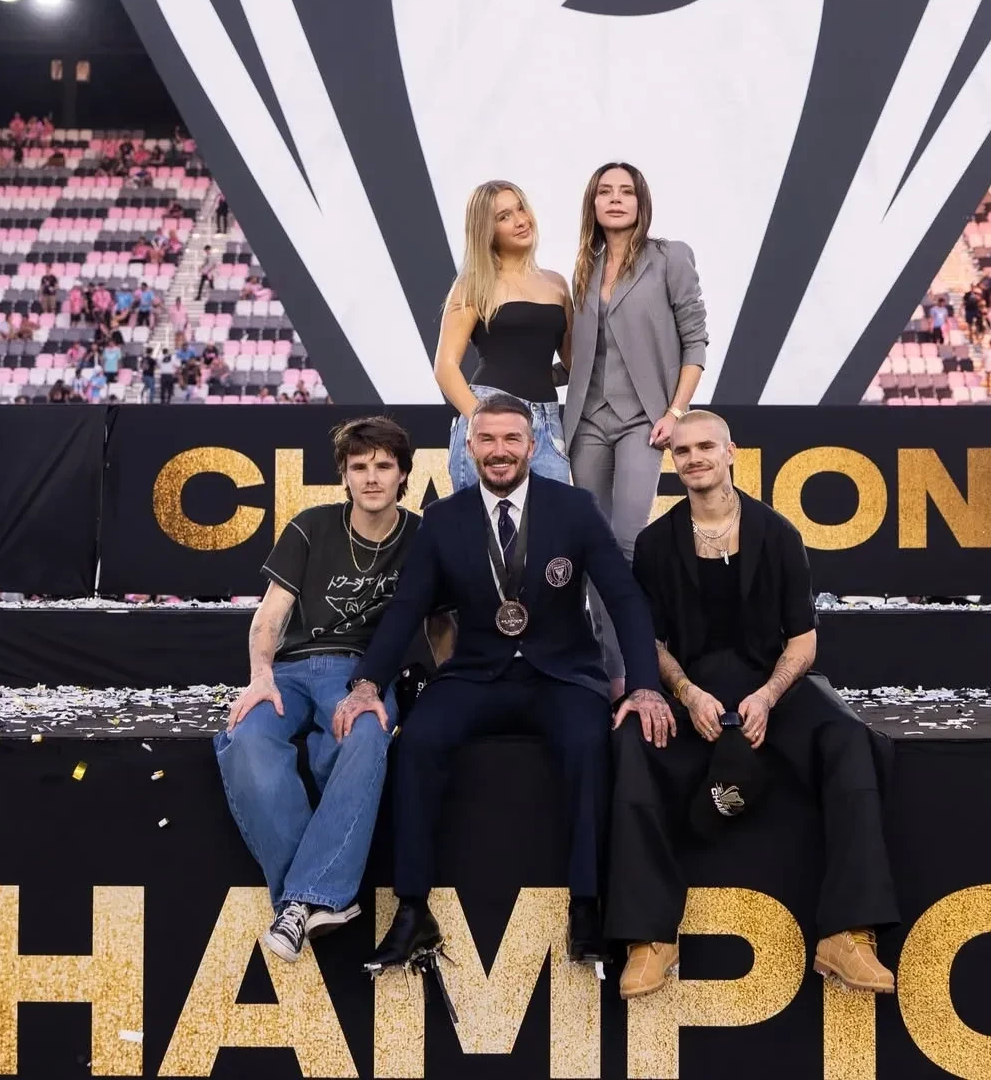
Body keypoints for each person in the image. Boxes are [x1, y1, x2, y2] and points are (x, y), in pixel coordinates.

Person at [334, 394, 670, 974]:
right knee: (416, 744)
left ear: (532, 446)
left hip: (562, 675)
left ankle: (587, 908)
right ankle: (412, 910)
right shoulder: (443, 519)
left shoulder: (575, 508)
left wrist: (643, 685)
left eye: (512, 438)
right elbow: (407, 608)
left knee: (589, 744)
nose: (499, 450)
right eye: (487, 439)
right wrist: (366, 684)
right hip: (475, 673)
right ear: (469, 447)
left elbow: (624, 600)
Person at [605, 410, 899, 999]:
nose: (694, 458)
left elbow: (803, 642)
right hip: (693, 690)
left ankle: (847, 933)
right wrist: (686, 693)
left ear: (731, 452)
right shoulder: (656, 544)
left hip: (772, 687)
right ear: (673, 461)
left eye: (705, 447)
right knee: (632, 744)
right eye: (683, 451)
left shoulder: (778, 533)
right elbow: (651, 643)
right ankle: (649, 938)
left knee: (848, 740)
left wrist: (766, 696)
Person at [215, 418, 448, 963]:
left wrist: (452, 681)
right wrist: (260, 677)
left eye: (384, 466)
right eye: (359, 467)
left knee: (365, 735)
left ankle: (298, 904)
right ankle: (314, 897)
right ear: (344, 474)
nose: (371, 477)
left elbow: (440, 623)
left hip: (364, 675)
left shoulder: (421, 537)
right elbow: (270, 614)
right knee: (245, 739)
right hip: (291, 670)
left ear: (404, 474)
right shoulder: (311, 526)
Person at [565, 162, 707, 695]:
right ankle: (608, 670)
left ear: (641, 202)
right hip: (586, 421)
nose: (616, 199)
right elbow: (580, 356)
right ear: (593, 203)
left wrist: (676, 411)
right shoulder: (584, 266)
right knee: (590, 545)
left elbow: (695, 339)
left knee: (624, 541)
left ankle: (631, 671)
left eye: (626, 191)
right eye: (605, 191)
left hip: (644, 421)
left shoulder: (670, 257)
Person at [434, 181, 572, 491]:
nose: (520, 220)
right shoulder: (473, 284)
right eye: (504, 216)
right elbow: (445, 367)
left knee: (552, 518)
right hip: (487, 413)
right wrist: (482, 421)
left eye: (521, 208)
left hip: (546, 424)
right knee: (479, 521)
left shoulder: (557, 284)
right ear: (487, 230)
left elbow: (574, 364)